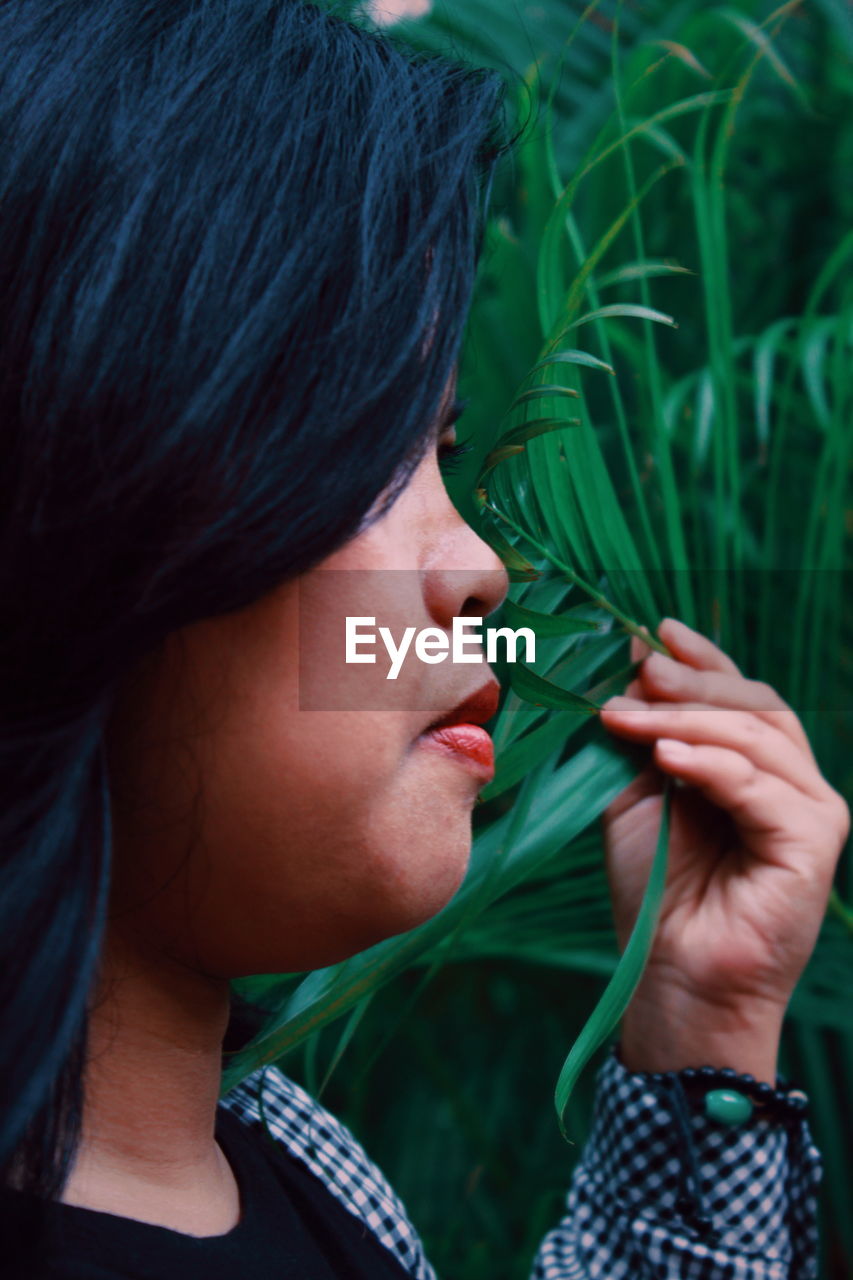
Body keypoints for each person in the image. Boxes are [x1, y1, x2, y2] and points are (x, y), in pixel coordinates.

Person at [0, 1, 848, 1276]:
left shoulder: (296, 1161)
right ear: (86, 480)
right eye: (364, 450)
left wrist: (703, 1028)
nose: (483, 568)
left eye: (438, 452)